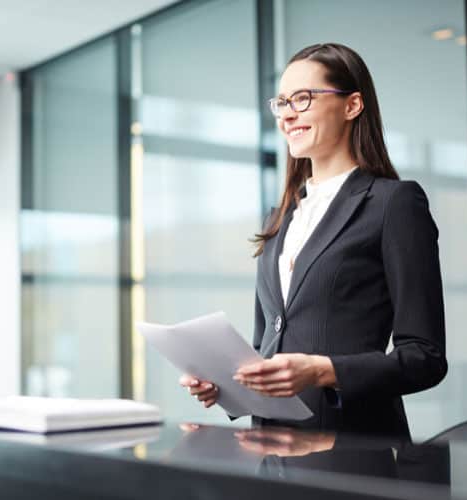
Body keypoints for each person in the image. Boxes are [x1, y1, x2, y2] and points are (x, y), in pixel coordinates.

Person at [179, 42, 447, 439]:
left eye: (303, 98)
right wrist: (228, 388)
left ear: (352, 105)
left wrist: (324, 371)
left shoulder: (394, 203)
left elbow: (425, 358)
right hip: (271, 446)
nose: (287, 114)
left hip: (354, 448)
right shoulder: (281, 218)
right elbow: (266, 349)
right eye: (282, 101)